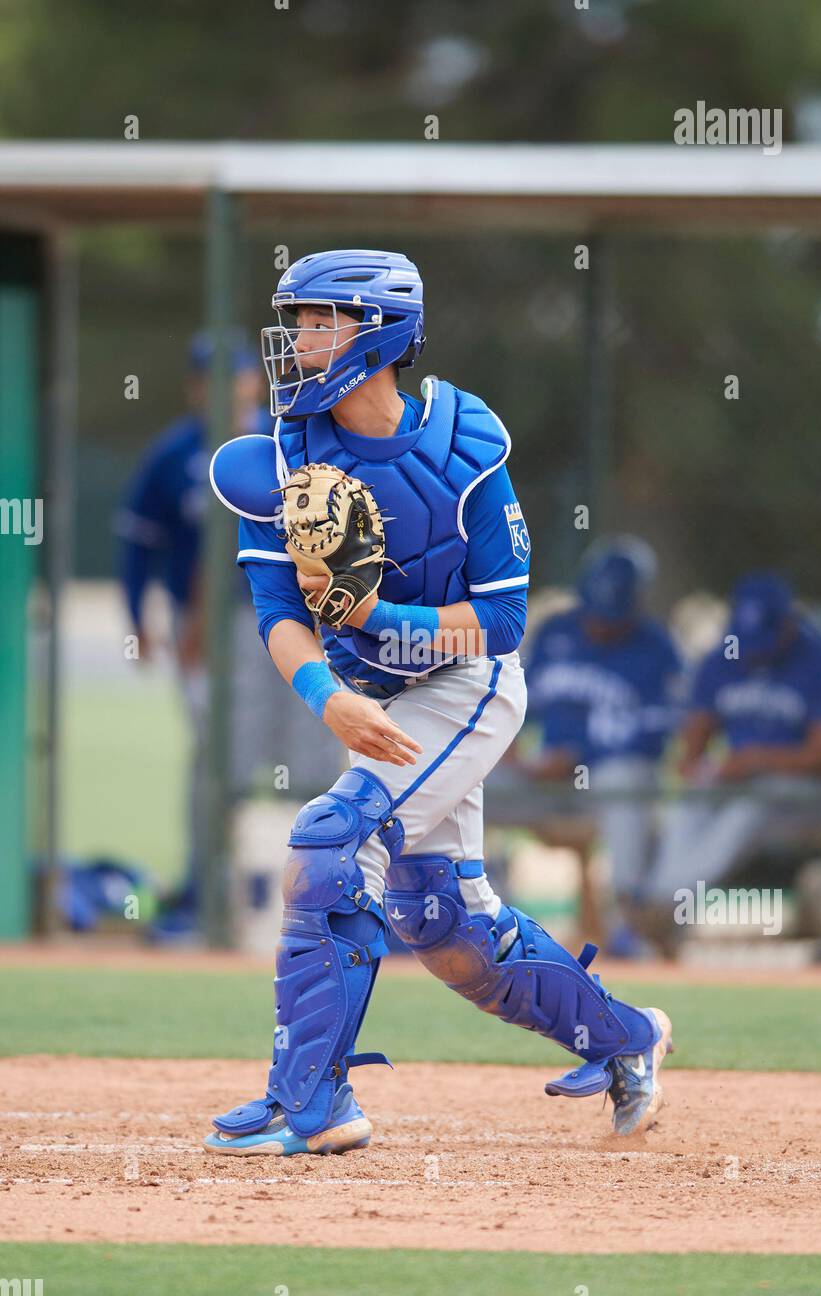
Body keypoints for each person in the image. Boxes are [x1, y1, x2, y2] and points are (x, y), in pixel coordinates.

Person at [203, 248, 673, 1156]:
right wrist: (324, 694)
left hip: (466, 685)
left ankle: (312, 1103)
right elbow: (276, 611)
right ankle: (627, 1041)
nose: (296, 340)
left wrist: (379, 611)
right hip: (372, 698)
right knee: (447, 927)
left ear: (376, 334)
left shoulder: (465, 445)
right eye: (295, 321)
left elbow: (498, 622)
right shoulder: (282, 453)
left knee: (332, 846)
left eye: (317, 321)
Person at [115, 334, 342, 916]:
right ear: (195, 388)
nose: (225, 388)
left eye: (236, 376)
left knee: (312, 751)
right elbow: (139, 545)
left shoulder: (288, 440)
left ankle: (327, 884)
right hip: (214, 628)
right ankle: (205, 885)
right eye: (211, 378)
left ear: (250, 381)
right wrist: (142, 618)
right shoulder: (173, 454)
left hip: (299, 614)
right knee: (221, 758)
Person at [648, 572, 821, 929]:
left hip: (810, 793)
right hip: (742, 780)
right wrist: (711, 771)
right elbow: (690, 753)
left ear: (789, 622)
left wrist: (758, 760)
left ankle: (666, 902)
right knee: (694, 798)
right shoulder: (722, 658)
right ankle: (656, 904)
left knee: (750, 806)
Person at [522, 539, 682, 956]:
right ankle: (450, 912)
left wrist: (578, 755)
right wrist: (513, 756)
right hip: (540, 781)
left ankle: (631, 918)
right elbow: (513, 705)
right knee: (464, 778)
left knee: (626, 778)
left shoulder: (657, 649)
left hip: (604, 780)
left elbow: (654, 738)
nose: (602, 624)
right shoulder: (556, 632)